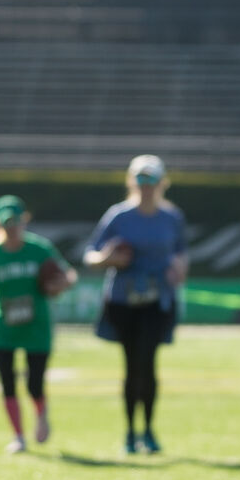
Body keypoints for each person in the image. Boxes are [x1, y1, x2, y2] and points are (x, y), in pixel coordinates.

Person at [84, 154, 188, 456]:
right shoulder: (118, 216)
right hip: (124, 300)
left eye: (151, 180)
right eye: (140, 180)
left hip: (157, 300)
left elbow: (181, 252)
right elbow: (91, 255)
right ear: (131, 182)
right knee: (132, 366)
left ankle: (149, 429)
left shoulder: (172, 218)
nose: (146, 186)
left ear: (162, 183)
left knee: (148, 363)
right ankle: (130, 431)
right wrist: (109, 258)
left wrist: (178, 268)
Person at [0, 194, 74, 453]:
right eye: (5, 223)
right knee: (7, 381)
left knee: (35, 381)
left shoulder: (39, 249)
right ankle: (18, 436)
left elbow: (68, 275)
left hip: (36, 325)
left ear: (24, 221)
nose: (11, 228)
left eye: (15, 222)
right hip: (4, 326)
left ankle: (41, 415)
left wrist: (60, 283)